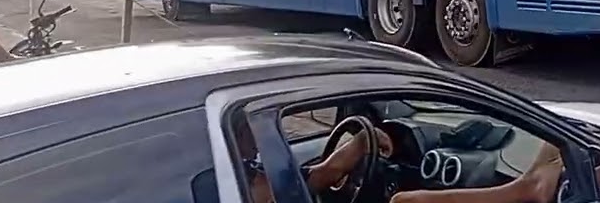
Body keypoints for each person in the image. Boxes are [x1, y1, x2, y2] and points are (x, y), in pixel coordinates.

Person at [232, 113, 569, 203]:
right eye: (248, 132)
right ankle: (525, 189)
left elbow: (307, 182)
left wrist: (359, 146)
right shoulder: (232, 177)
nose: (258, 145)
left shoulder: (224, 169)